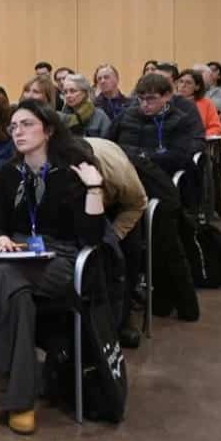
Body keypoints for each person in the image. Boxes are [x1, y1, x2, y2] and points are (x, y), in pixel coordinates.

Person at [0, 100, 105, 435]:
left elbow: (91, 237)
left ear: (48, 130)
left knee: (4, 272)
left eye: (27, 124)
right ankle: (20, 403)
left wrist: (94, 187)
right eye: (13, 127)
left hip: (61, 259)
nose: (18, 132)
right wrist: (1, 240)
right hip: (20, 253)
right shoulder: (9, 173)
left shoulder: (73, 171)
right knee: (18, 296)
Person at [84, 137, 148, 347]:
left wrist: (114, 236)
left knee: (123, 257)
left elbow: (137, 204)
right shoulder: (61, 168)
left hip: (121, 204)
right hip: (84, 205)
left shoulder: (116, 172)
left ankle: (122, 321)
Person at [108, 73, 201, 176]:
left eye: (151, 99)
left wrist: (143, 156)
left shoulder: (180, 121)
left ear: (167, 96)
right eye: (141, 99)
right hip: (121, 171)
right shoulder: (125, 115)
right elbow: (107, 144)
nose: (144, 104)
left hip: (156, 174)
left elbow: (179, 157)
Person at [175, 70, 221, 139]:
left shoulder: (206, 104)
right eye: (181, 81)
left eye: (188, 83)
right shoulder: (169, 102)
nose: (183, 85)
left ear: (197, 87)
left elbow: (216, 128)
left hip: (198, 141)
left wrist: (199, 137)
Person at [60, 74, 112, 138]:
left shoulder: (99, 116)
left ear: (85, 92)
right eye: (65, 92)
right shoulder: (61, 116)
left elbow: (108, 142)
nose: (68, 95)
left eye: (73, 91)